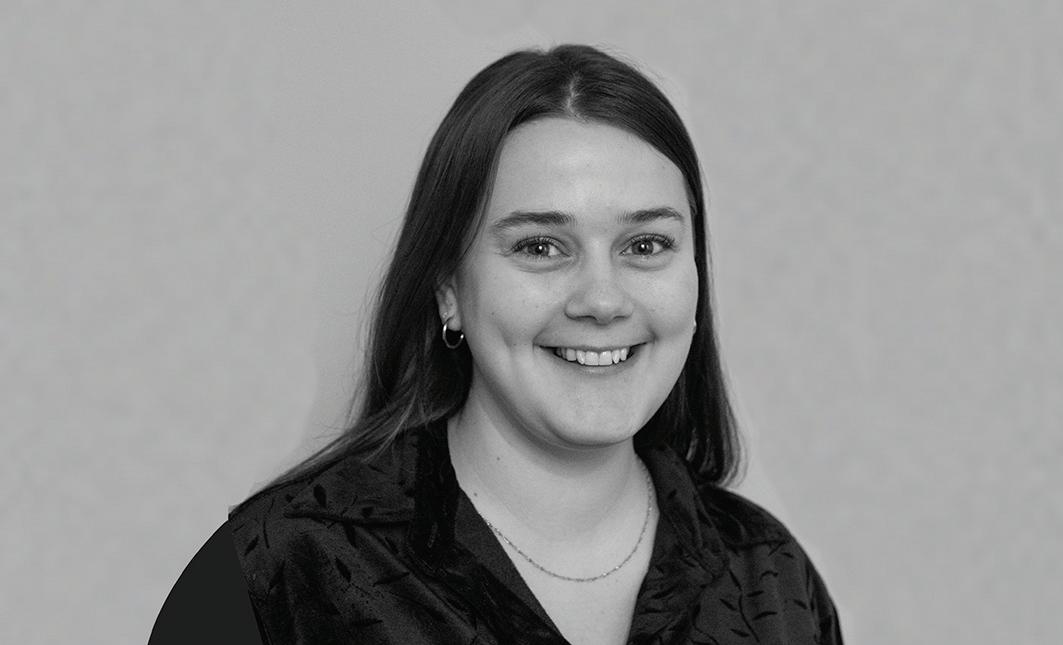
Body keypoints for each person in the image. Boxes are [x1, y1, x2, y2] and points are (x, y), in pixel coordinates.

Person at [151, 44, 842, 645]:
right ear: (448, 287)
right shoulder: (277, 570)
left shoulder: (774, 581)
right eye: (540, 246)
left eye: (645, 245)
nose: (602, 300)